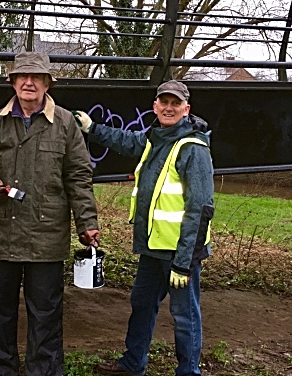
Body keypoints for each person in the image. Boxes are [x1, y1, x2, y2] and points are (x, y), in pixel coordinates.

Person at [0, 51, 100, 376]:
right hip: (3, 234)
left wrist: (87, 223)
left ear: (46, 84)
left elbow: (78, 176)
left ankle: (43, 370)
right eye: (22, 77)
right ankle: (1, 370)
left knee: (45, 314)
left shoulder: (66, 124)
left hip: (47, 238)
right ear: (13, 82)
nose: (29, 83)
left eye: (36, 78)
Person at [73, 80, 214, 376]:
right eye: (163, 102)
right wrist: (92, 128)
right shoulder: (155, 137)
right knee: (142, 304)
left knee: (185, 315)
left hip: (179, 254)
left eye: (175, 104)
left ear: (186, 109)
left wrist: (184, 263)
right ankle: (132, 363)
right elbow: (126, 141)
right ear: (155, 106)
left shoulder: (193, 149)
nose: (168, 107)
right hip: (153, 248)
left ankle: (189, 372)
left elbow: (200, 210)